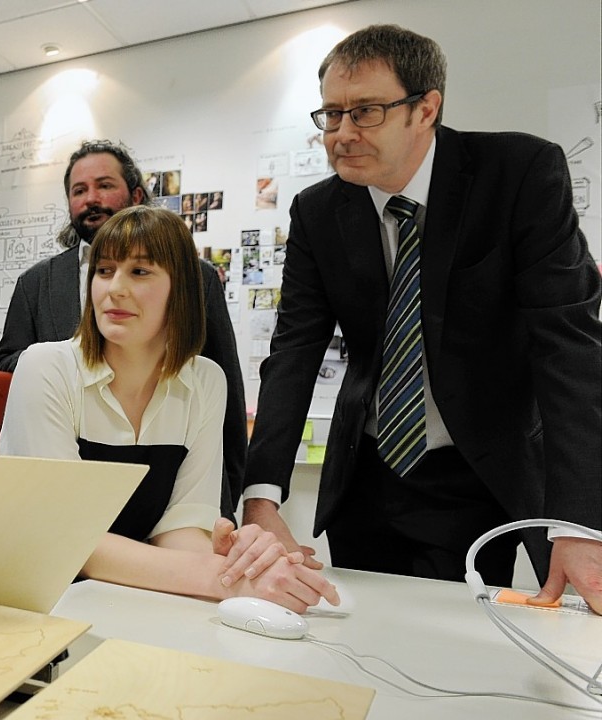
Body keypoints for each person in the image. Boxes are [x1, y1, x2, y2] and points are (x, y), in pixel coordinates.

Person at [235, 24, 601, 612]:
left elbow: (570, 346)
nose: (342, 134)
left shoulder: (517, 173)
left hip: (483, 473)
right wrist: (261, 498)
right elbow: (295, 350)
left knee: (470, 644)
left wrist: (580, 523)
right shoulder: (318, 211)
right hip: (368, 474)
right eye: (330, 115)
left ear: (426, 108)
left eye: (366, 112)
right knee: (363, 634)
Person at [0, 205, 336, 612]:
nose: (114, 289)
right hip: (39, 599)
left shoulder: (206, 382)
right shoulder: (45, 367)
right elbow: (65, 538)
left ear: (182, 290)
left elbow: (181, 526)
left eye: (139, 272)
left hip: (132, 598)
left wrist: (240, 565)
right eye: (104, 271)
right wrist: (220, 579)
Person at [0, 140, 248, 522]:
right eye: (79, 190)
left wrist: (217, 510)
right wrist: (69, 374)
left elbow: (218, 374)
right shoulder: (37, 283)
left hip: (173, 477)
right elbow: (5, 366)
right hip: (60, 457)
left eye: (104, 185)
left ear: (137, 194)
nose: (91, 198)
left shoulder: (198, 281)